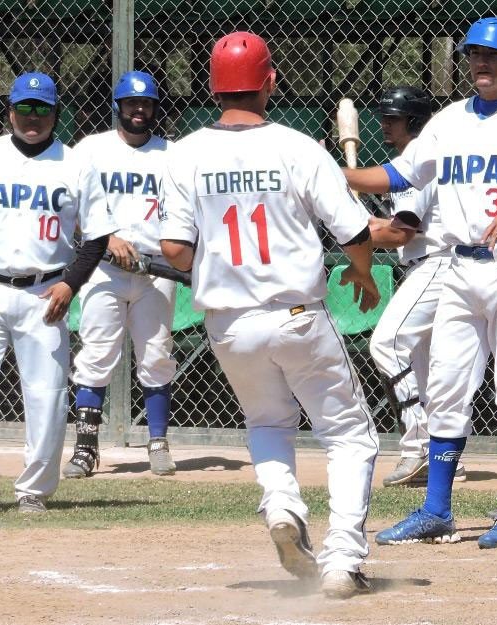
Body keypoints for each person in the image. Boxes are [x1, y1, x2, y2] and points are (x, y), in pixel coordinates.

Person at [342, 17, 497, 549]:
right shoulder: (448, 120)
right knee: (446, 387)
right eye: (474, 55)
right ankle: (436, 509)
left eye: (492, 57)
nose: (481, 63)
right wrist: (334, 174)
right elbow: (401, 175)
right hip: (457, 267)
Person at [161, 31, 379, 598]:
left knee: (267, 424)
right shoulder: (299, 146)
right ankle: (343, 558)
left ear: (213, 86)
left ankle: (282, 506)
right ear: (270, 82)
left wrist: (220, 263)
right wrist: (360, 271)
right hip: (297, 312)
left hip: (228, 323)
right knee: (349, 434)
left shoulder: (183, 153)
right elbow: (354, 230)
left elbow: (175, 252)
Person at [0, 72, 116, 515]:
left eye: (43, 109)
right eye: (25, 108)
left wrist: (70, 283)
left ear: (56, 114)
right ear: (9, 110)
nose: (33, 118)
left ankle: (34, 489)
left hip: (44, 292)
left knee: (47, 393)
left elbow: (95, 239)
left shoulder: (76, 165)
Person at [63, 70, 179, 479]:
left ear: (154, 109)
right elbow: (70, 206)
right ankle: (85, 449)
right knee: (95, 356)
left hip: (156, 269)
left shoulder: (171, 155)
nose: (139, 110)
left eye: (145, 103)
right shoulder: (91, 150)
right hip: (103, 268)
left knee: (157, 356)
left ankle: (158, 442)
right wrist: (106, 237)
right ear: (118, 107)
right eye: (132, 103)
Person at [365, 86, 466, 487]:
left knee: (386, 344)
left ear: (417, 121)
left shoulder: (427, 160)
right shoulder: (408, 162)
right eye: (385, 117)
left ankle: (417, 443)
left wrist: (353, 228)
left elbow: (398, 235)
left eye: (395, 117)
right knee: (429, 372)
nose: (386, 124)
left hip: (438, 264)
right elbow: (387, 229)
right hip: (428, 266)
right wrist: (356, 222)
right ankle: (441, 458)